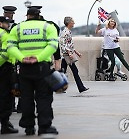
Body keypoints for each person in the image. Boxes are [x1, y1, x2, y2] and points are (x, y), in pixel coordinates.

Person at [7, 7, 59, 135]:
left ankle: (28, 127)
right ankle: (44, 126)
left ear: (27, 15)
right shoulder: (48, 27)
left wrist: (22, 58)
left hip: (24, 68)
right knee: (44, 97)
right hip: (42, 67)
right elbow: (53, 45)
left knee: (26, 98)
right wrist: (38, 58)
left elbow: (10, 47)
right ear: (39, 15)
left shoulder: (17, 28)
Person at [60, 17, 89, 93]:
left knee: (63, 71)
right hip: (67, 55)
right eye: (73, 21)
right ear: (69, 23)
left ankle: (60, 87)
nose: (74, 23)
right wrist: (69, 53)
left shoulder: (68, 31)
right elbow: (63, 44)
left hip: (66, 55)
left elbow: (69, 44)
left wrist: (76, 52)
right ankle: (81, 87)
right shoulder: (65, 32)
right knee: (74, 71)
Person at [0, 16, 18, 134]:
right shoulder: (4, 34)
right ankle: (5, 124)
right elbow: (5, 54)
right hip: (4, 69)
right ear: (1, 23)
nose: (8, 25)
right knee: (6, 97)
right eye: (7, 23)